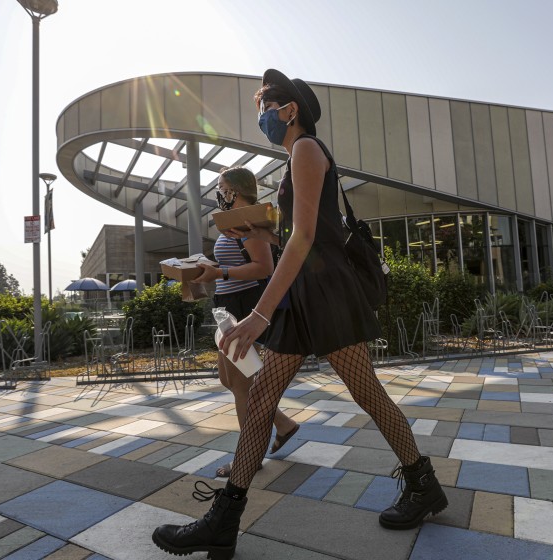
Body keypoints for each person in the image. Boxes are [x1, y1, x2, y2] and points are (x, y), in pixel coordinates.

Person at [152, 69, 448, 559]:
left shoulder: (308, 150)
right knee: (263, 397)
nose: (261, 115)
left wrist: (260, 314)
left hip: (325, 294)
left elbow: (307, 239)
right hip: (307, 295)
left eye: (266, 105)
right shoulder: (295, 159)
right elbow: (301, 237)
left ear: (290, 110)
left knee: (366, 393)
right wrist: (263, 236)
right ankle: (224, 521)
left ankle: (423, 485)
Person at [191, 166, 300, 478]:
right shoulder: (230, 220)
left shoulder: (249, 217)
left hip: (243, 305)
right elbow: (235, 263)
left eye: (221, 186)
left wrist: (221, 273)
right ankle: (283, 424)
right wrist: (208, 269)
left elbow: (263, 267)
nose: (218, 192)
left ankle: (248, 459)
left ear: (234, 189)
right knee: (229, 379)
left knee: (241, 385)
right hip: (226, 305)